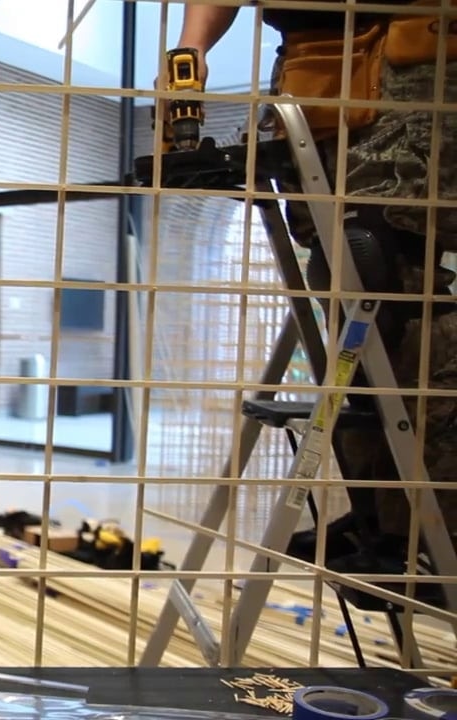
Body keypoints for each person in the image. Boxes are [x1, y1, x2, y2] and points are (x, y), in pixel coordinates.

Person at [173, 0, 456, 603]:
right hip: (316, 83)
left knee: (390, 281)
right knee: (349, 281)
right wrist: (190, 55)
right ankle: (384, 518)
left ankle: (422, 525)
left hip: (416, 74)